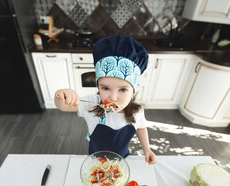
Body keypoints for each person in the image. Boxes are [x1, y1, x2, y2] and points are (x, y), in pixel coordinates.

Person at [55, 35, 156, 165]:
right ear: (98, 86)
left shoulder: (137, 112)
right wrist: (61, 95)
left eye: (123, 90)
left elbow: (141, 128)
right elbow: (62, 106)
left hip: (122, 159)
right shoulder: (91, 104)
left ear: (133, 90)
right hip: (95, 160)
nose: (113, 97)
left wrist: (147, 149)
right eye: (106, 88)